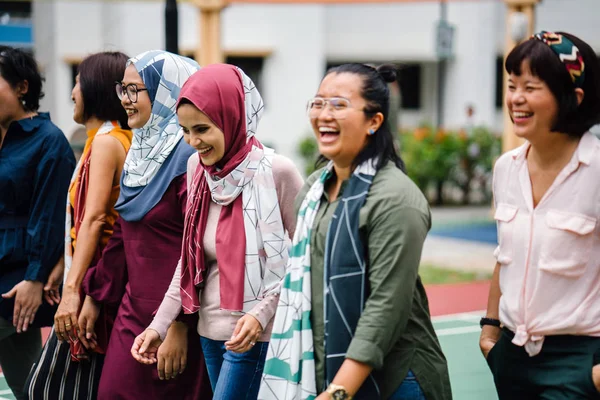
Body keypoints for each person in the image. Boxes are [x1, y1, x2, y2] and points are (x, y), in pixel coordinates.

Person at [259, 63, 452, 400]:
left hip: (396, 379)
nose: (323, 114)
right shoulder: (314, 191)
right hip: (330, 372)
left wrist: (338, 392)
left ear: (374, 121)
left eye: (339, 105)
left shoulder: (395, 199)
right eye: (318, 103)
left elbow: (385, 308)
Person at [130, 63, 303, 400]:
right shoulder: (198, 169)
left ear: (230, 117)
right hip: (209, 331)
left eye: (203, 129)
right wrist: (159, 325)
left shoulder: (277, 172)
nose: (193, 141)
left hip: (261, 333)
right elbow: (189, 260)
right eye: (185, 130)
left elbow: (304, 259)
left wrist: (260, 316)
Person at [78, 50, 211, 399]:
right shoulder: (141, 151)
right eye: (123, 89)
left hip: (179, 318)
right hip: (132, 312)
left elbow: (200, 247)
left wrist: (180, 324)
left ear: (167, 90)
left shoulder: (190, 157)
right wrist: (96, 295)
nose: (125, 99)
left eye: (135, 90)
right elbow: (124, 232)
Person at [479, 31, 600, 399]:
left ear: (572, 98)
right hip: (512, 356)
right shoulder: (506, 169)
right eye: (512, 85)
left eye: (531, 87)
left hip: (579, 361)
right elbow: (506, 258)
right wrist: (489, 334)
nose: (516, 98)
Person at [25, 51, 133, 399]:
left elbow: (97, 220)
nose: (73, 92)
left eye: (77, 82)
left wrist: (75, 293)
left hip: (94, 287)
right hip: (96, 282)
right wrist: (62, 266)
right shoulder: (109, 139)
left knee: (47, 387)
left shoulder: (105, 142)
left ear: (95, 89)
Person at [0, 46, 75, 400]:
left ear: (22, 87)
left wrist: (34, 277)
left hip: (18, 275)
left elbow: (50, 216)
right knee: (30, 386)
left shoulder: (49, 141)